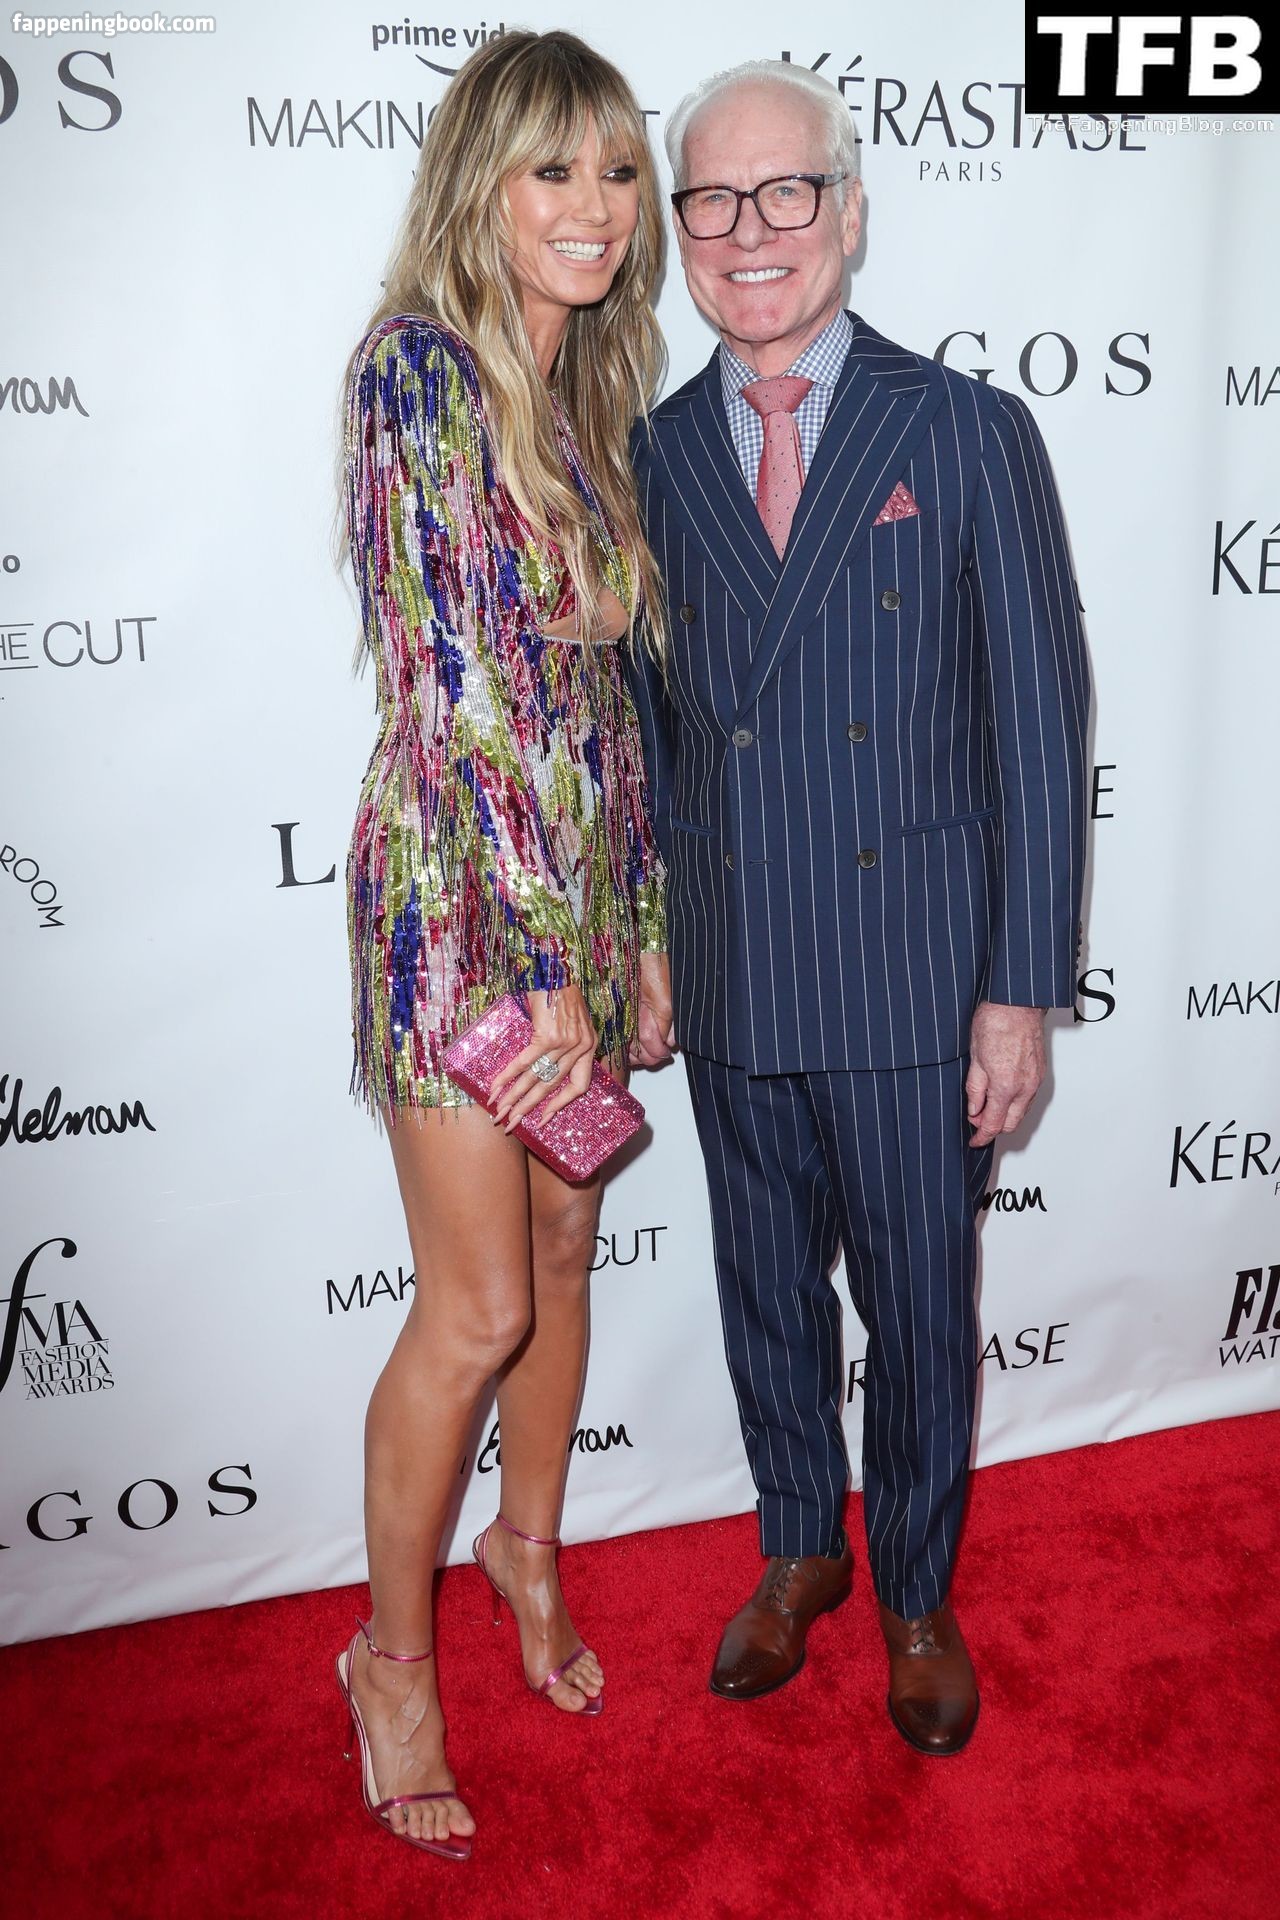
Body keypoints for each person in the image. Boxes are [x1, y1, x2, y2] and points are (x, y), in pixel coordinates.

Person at [629, 60, 1089, 1755]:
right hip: (736, 959)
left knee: (916, 1307)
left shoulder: (963, 428)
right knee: (765, 1294)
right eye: (712, 198)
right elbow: (645, 737)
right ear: (681, 228)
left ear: (848, 209)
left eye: (786, 191)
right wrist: (648, 948)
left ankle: (910, 1588)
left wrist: (1017, 988)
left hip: (913, 976)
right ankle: (795, 1548)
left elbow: (1040, 725)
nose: (749, 231)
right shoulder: (653, 451)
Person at [335, 30, 673, 1860]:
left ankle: (525, 1549)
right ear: (482, 183)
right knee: (476, 1306)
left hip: (575, 905)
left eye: (617, 171)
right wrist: (545, 958)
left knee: (563, 1242)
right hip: (463, 914)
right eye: (555, 170)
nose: (596, 208)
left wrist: (637, 935)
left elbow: (604, 710)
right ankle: (391, 1666)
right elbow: (461, 691)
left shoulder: (585, 395)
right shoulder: (421, 373)